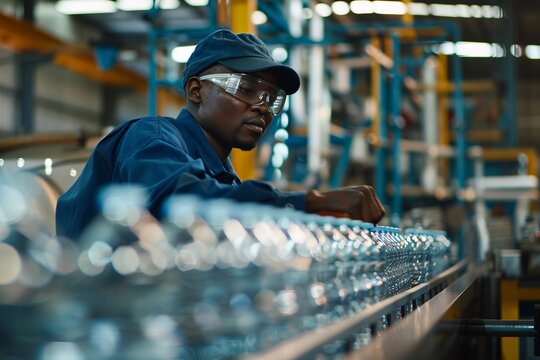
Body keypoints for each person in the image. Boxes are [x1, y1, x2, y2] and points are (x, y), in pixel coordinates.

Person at [56, 29, 385, 240]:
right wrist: (308, 201)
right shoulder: (151, 136)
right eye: (246, 88)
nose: (263, 108)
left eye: (272, 99)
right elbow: (184, 204)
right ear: (197, 91)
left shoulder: (223, 176)